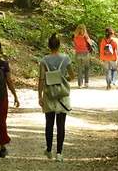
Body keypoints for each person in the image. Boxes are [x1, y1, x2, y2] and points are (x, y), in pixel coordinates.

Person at [38, 33, 75, 162]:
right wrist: (63, 78)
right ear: (59, 45)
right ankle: (59, 153)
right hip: (62, 94)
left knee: (49, 123)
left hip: (49, 94)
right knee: (61, 124)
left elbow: (41, 78)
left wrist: (39, 95)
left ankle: (49, 150)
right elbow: (72, 76)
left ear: (49, 45)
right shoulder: (66, 59)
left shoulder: (44, 60)